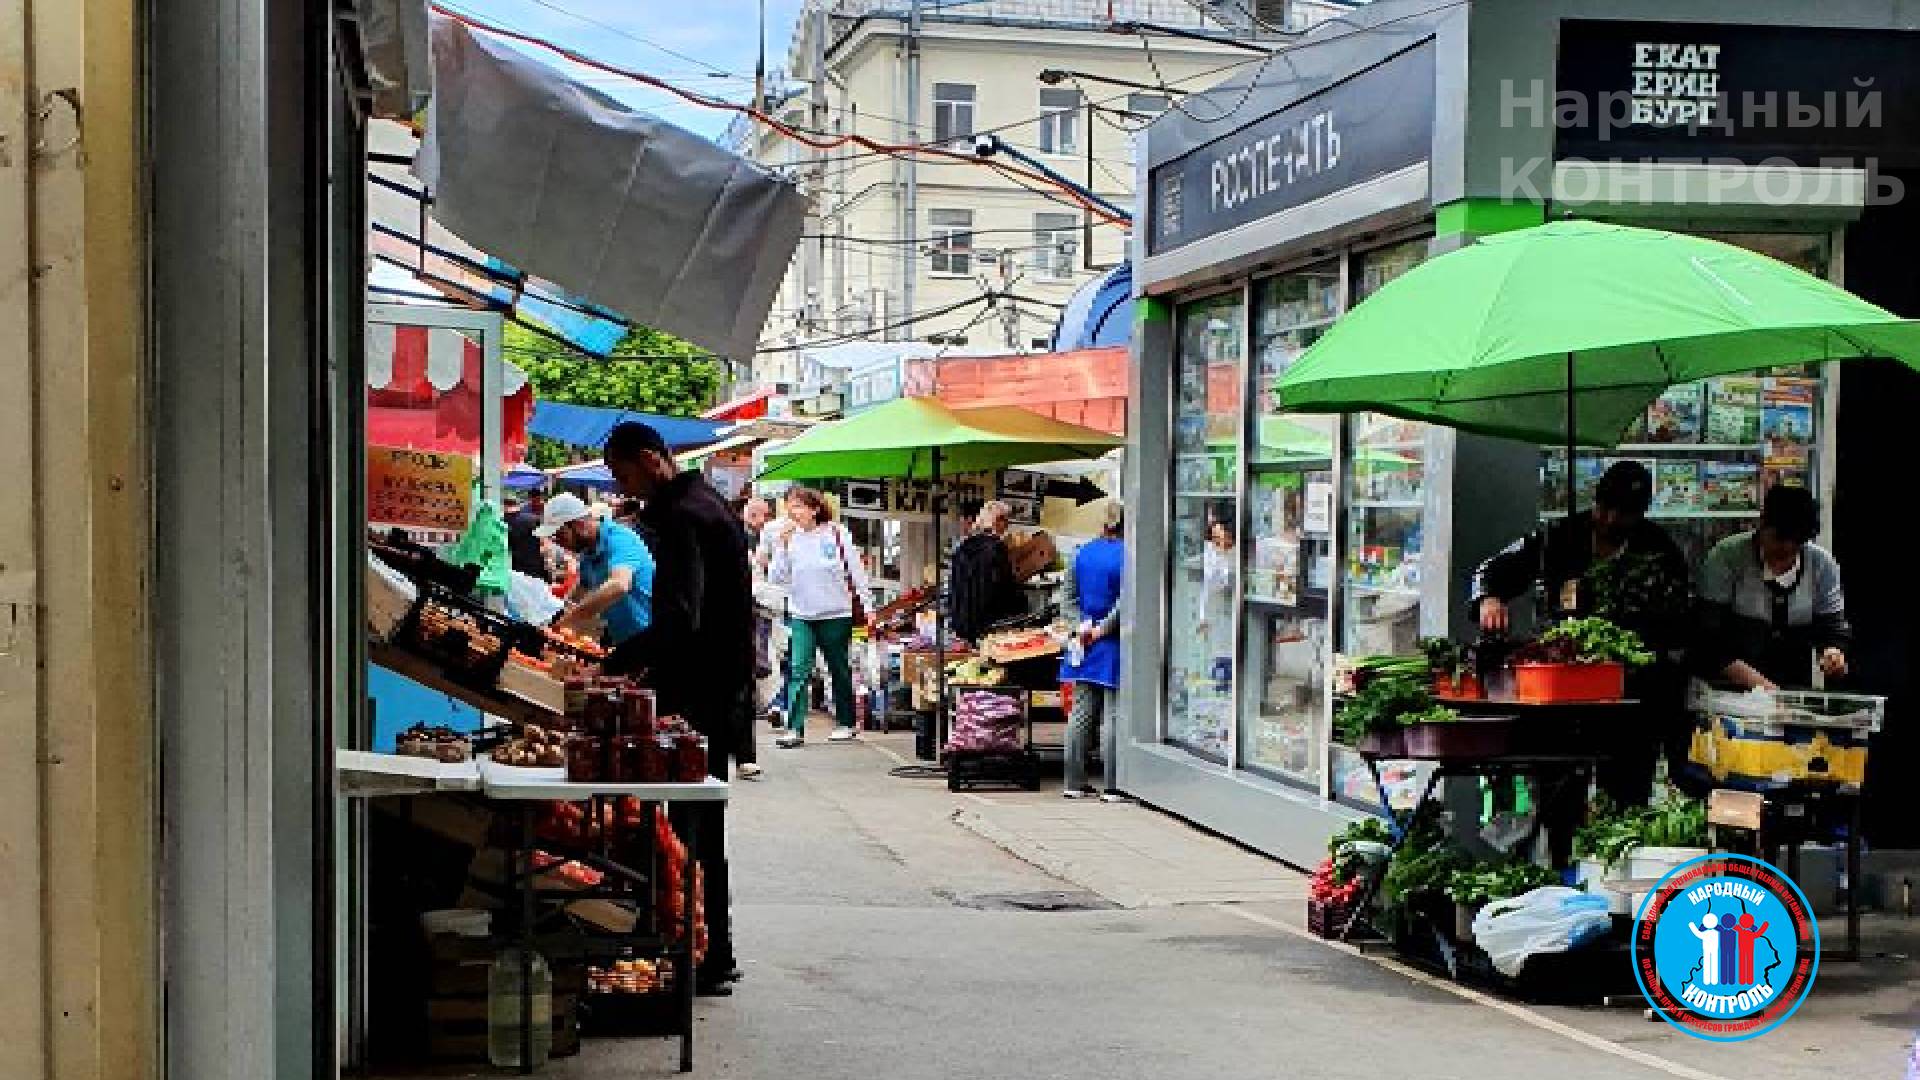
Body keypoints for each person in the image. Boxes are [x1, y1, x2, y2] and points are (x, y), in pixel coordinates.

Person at [601, 421, 752, 997]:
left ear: (649, 460)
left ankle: (704, 955)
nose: (624, 486)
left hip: (700, 692)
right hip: (713, 686)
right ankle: (704, 949)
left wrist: (618, 662)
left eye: (623, 473)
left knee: (693, 826)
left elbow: (679, 618)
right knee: (696, 825)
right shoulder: (702, 503)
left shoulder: (686, 515)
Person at [1470, 459, 1691, 806]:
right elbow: (1492, 570)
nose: (1610, 521)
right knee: (1557, 788)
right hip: (1563, 687)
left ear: (1640, 514)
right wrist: (1489, 598)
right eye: (1605, 510)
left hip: (1629, 693)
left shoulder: (1659, 550)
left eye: (1623, 515)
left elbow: (1679, 619)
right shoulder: (1556, 539)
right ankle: (1558, 850)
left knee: (1627, 788)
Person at [1695, 484, 1850, 692]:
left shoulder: (1821, 564)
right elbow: (1708, 639)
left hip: (1792, 682)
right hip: (1729, 685)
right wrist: (1763, 688)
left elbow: (1832, 627)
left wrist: (1833, 652)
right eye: (1778, 538)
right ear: (1762, 523)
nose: (1786, 548)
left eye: (1796, 542)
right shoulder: (1727, 558)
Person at [768, 487, 871, 748]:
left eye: (800, 506)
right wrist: (781, 547)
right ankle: (794, 728)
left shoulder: (836, 534)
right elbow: (777, 577)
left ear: (815, 509)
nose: (794, 512)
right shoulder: (790, 539)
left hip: (836, 611)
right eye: (791, 506)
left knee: (838, 667)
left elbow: (856, 572)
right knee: (799, 669)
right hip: (802, 613)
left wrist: (866, 606)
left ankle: (846, 722)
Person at [1060, 508, 1126, 801]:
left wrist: (1082, 628)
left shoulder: (1080, 553)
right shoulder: (1128, 554)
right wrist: (1104, 629)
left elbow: (1068, 599)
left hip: (1083, 643)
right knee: (1113, 714)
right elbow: (1126, 601)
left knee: (1081, 712)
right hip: (1114, 643)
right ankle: (1113, 785)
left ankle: (1074, 782)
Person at [535, 492, 655, 650]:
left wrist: (567, 621)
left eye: (560, 535)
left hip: (650, 640)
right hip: (622, 642)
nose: (558, 543)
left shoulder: (620, 540)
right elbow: (580, 593)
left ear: (578, 525)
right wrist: (553, 618)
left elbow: (618, 585)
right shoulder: (587, 553)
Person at [948, 500, 1025, 644]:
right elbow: (1005, 588)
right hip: (986, 625)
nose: (1007, 525)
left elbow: (953, 587)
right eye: (1006, 520)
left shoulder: (962, 547)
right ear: (998, 521)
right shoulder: (997, 549)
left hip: (962, 623)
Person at [1199, 516, 1237, 692]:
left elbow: (1227, 580)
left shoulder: (1236, 554)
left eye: (1223, 538)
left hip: (1232, 614)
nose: (1219, 543)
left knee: (1230, 653)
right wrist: (1202, 617)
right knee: (1216, 655)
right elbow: (1210, 584)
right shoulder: (1210, 552)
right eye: (1215, 539)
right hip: (1216, 612)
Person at [506, 493, 549, 581]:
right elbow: (543, 541)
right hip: (534, 564)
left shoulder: (503, 522)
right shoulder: (533, 519)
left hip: (517, 565)